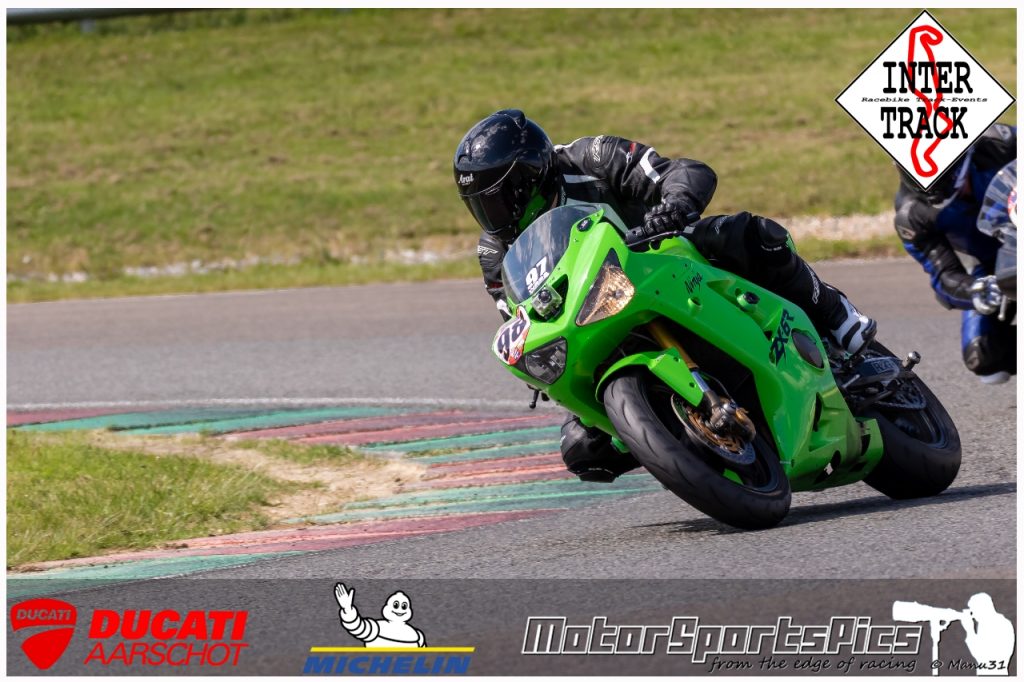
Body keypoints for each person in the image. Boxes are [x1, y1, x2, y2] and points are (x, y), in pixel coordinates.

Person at [453, 109, 877, 483]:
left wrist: (673, 205)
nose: (493, 215)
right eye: (480, 205)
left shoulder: (590, 158)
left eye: (499, 199)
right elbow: (518, 319)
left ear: (530, 176)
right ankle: (676, 439)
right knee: (581, 448)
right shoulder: (495, 253)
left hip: (664, 258)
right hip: (594, 320)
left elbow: (684, 171)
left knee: (752, 236)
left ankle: (836, 315)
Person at [893, 123, 1017, 384]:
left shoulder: (1002, 143)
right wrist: (975, 290)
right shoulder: (911, 217)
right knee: (983, 359)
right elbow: (944, 276)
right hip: (992, 268)